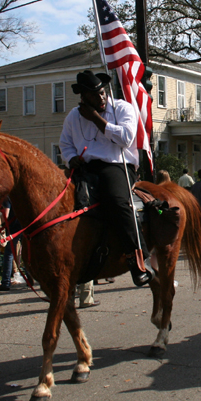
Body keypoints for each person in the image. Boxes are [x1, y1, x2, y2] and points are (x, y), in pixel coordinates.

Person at [59, 70, 152, 287]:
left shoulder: (122, 108)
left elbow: (126, 138)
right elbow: (65, 144)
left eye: (102, 92)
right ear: (83, 97)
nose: (101, 97)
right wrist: (71, 158)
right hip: (85, 167)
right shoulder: (73, 116)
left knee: (117, 201)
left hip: (117, 164)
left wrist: (95, 118)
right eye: (94, 95)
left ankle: (138, 259)